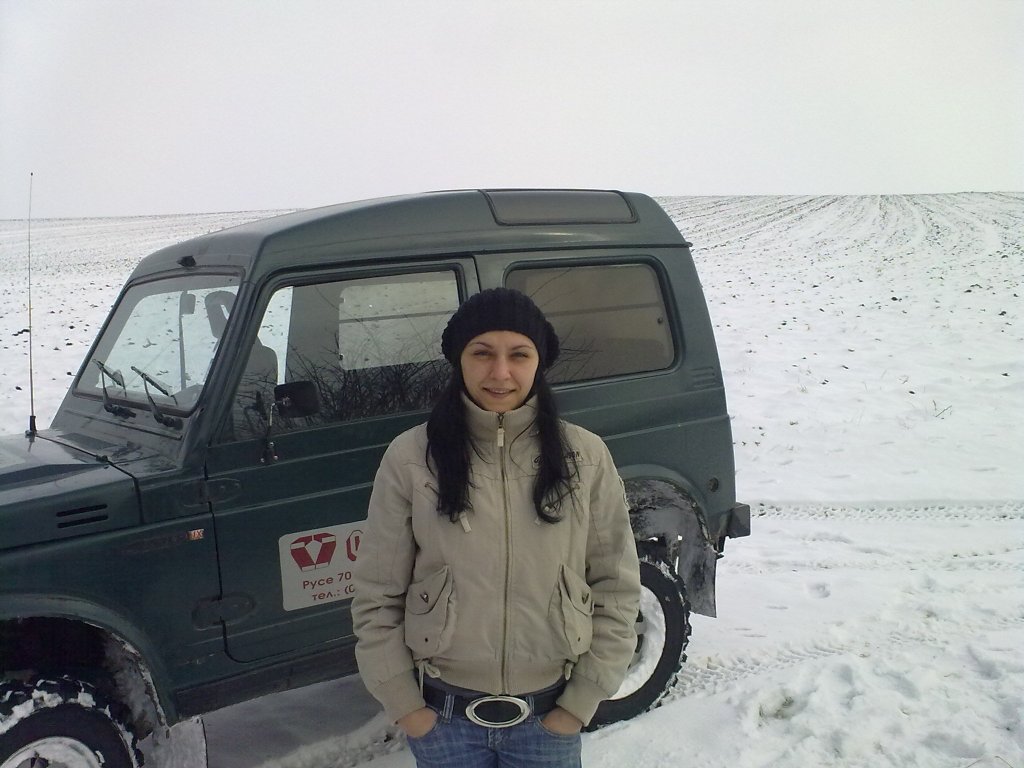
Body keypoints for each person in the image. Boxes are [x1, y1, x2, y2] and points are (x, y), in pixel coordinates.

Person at [351, 288, 641, 768]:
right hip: (444, 721)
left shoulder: (585, 457)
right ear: (459, 361)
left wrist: (578, 704)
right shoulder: (410, 457)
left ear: (539, 362)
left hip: (548, 719)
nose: (501, 372)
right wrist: (408, 709)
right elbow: (376, 594)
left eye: (519, 354)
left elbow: (617, 587)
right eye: (482, 353)